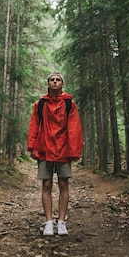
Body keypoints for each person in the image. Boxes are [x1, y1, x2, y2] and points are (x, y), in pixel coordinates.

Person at [27, 72, 83, 236]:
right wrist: (32, 146)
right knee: (46, 185)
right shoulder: (40, 104)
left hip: (63, 150)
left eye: (58, 80)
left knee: (64, 184)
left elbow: (74, 128)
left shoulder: (69, 104)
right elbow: (34, 126)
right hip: (44, 149)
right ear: (48, 84)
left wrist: (74, 151)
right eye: (52, 80)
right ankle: (49, 222)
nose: (55, 82)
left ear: (62, 84)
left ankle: (62, 222)